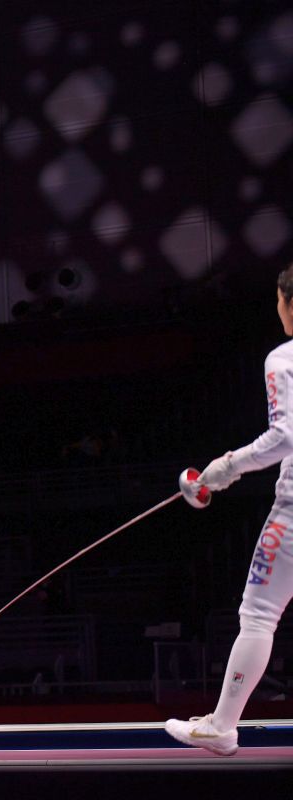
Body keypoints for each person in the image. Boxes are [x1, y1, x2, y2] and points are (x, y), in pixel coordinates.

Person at [165, 265, 293, 756]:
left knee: (259, 615)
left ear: (288, 303)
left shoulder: (283, 359)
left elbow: (285, 435)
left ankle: (222, 726)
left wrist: (225, 468)